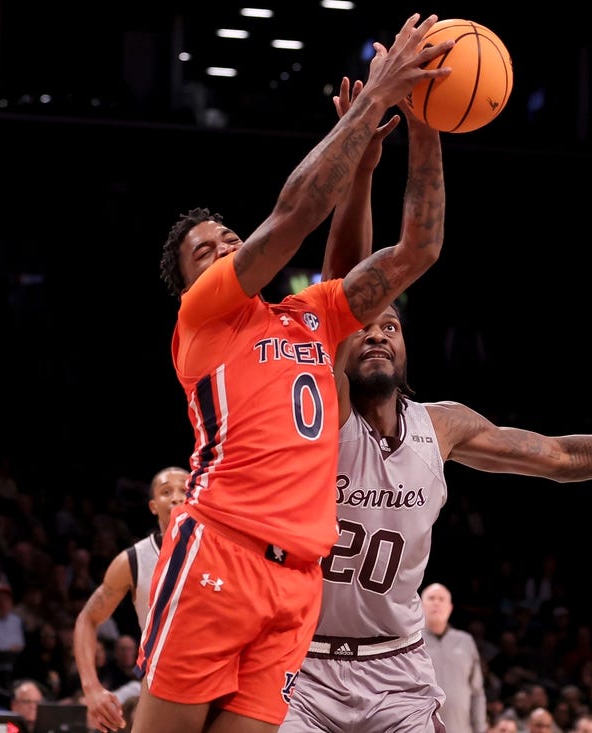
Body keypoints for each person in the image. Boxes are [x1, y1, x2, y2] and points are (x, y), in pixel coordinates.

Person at [278, 74, 592, 733]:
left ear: (409, 351)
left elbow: (563, 456)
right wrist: (366, 168)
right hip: (306, 669)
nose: (376, 333)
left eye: (391, 326)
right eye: (367, 325)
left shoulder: (441, 426)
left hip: (397, 671)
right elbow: (345, 287)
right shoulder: (327, 414)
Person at [132, 13, 453, 733]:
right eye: (203, 251)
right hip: (221, 551)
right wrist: (378, 96)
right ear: (192, 282)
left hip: (297, 581)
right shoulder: (203, 320)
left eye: (226, 237)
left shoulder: (309, 316)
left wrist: (425, 122)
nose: (221, 248)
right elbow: (296, 213)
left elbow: (417, 249)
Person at [74, 466, 187, 731]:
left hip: (218, 679)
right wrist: (91, 688)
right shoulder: (133, 561)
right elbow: (87, 619)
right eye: (166, 492)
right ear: (152, 506)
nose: (176, 497)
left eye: (184, 490)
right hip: (163, 680)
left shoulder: (223, 552)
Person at [420, 583, 487, 733]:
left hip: (461, 727)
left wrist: (480, 729)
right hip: (422, 728)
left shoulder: (465, 641)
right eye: (431, 598)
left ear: (450, 607)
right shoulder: (411, 642)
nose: (436, 602)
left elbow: (477, 692)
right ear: (420, 605)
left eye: (441, 599)